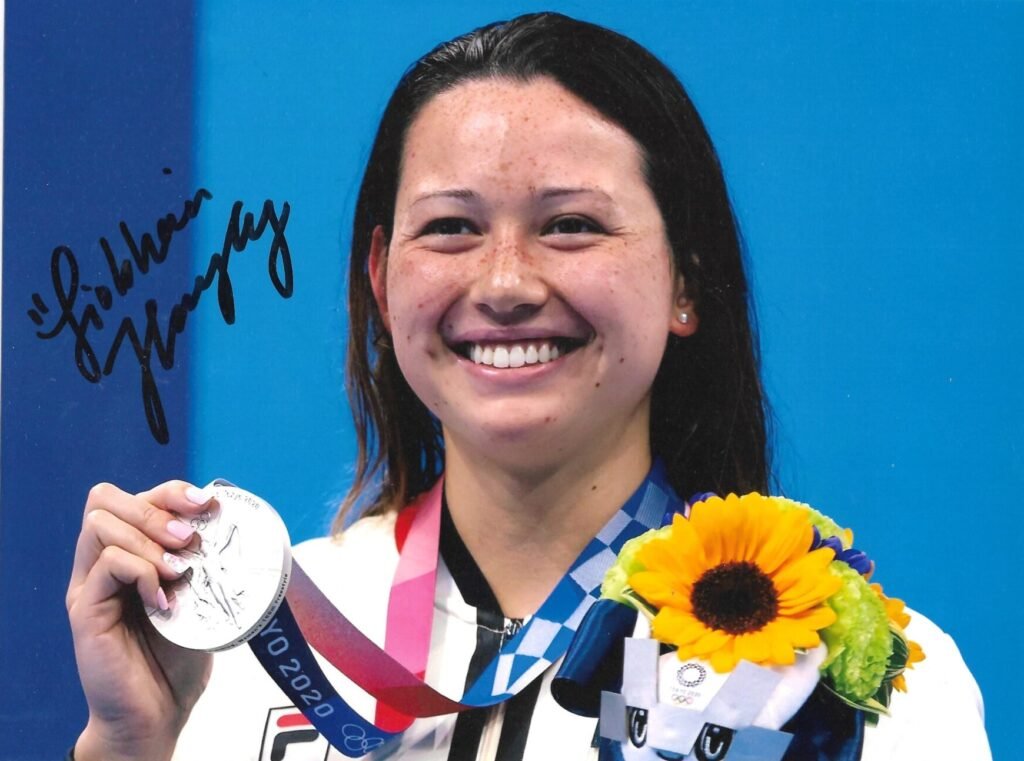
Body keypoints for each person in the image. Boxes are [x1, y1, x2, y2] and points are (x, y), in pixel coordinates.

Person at [66, 12, 989, 761]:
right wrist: (128, 746)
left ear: (687, 280)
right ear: (381, 282)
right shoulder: (246, 652)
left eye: (572, 224)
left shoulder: (846, 678)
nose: (505, 282)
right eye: (451, 228)